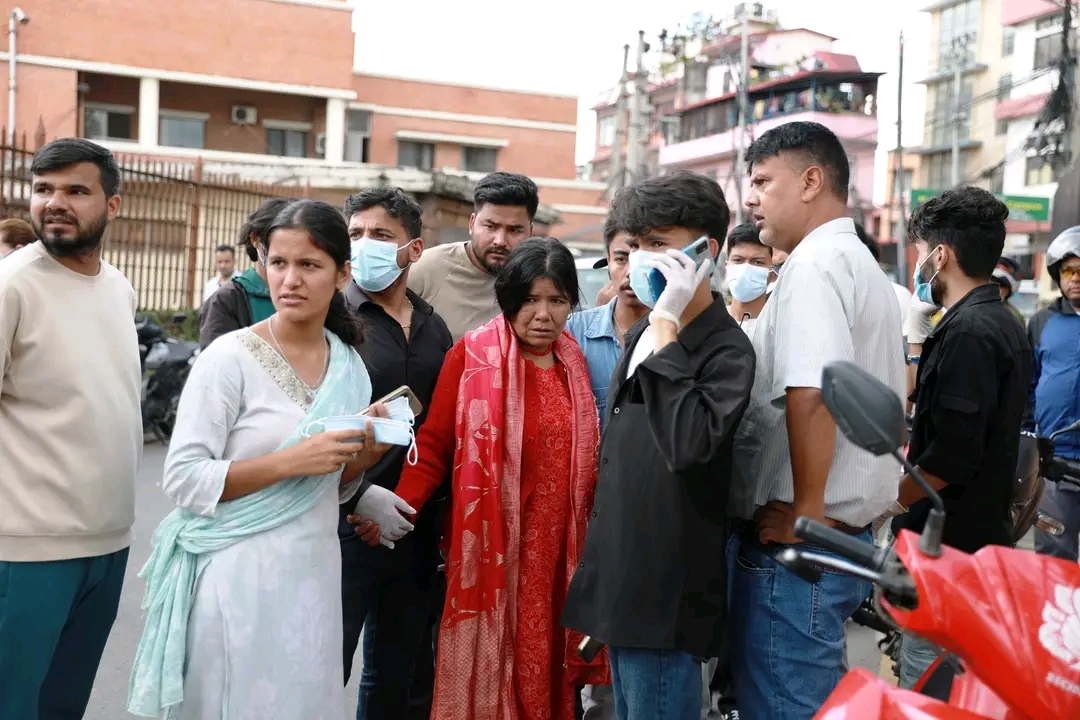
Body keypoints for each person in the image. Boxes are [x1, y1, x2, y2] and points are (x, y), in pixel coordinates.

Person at [127, 200, 397, 719]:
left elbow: (332, 486)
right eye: (278, 263)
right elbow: (184, 478)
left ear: (342, 274)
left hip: (313, 576)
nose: (290, 279)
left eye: (310, 266)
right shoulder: (227, 358)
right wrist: (293, 460)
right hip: (237, 573)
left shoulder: (350, 366)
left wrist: (362, 460)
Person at [378, 237, 607, 719]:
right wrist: (400, 507)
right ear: (508, 300)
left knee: (549, 665)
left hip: (560, 555)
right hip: (495, 549)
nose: (543, 314)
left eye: (557, 300)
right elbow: (436, 443)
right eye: (529, 300)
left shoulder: (574, 363)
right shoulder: (472, 356)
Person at [562, 171, 756, 720]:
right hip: (622, 573)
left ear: (705, 251)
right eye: (637, 245)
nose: (643, 259)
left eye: (659, 245)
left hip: (667, 589)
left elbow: (692, 443)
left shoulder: (724, 349)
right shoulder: (644, 329)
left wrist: (669, 327)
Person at [728, 121, 906, 720]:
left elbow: (812, 392)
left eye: (761, 181)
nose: (749, 199)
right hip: (837, 539)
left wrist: (806, 510)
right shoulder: (856, 262)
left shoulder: (813, 265)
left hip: (801, 547)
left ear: (810, 181)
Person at [0, 138, 141, 719]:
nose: (55, 203)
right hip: (26, 550)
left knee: (64, 708)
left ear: (111, 205)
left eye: (75, 191)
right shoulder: (12, 286)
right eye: (43, 189)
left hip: (108, 543)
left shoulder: (118, 287)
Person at [883, 187, 1032, 687]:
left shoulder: (971, 332)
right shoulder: (995, 321)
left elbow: (952, 455)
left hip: (949, 550)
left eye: (922, 252)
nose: (919, 263)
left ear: (940, 255)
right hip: (974, 542)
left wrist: (887, 502)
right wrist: (918, 339)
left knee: (929, 683)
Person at [338, 186, 453, 719]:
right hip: (341, 524)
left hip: (412, 527)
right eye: (356, 234)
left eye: (381, 235)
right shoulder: (332, 320)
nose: (366, 245)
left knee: (396, 671)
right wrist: (359, 500)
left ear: (414, 249)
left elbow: (442, 427)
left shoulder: (434, 326)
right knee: (323, 662)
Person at [408, 171, 538, 341]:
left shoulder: (535, 282)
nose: (500, 241)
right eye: (490, 227)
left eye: (514, 230)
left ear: (530, 232)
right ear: (472, 224)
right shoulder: (426, 270)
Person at [566, 213, 649, 423]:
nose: (631, 272)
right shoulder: (573, 332)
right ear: (608, 261)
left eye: (643, 260)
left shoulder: (677, 337)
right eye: (621, 259)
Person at [1031, 226, 1080, 561]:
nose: (1075, 278)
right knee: (1052, 560)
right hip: (1055, 462)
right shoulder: (1040, 322)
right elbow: (1025, 386)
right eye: (1069, 270)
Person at [198, 197, 290, 349]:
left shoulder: (313, 294)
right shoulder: (226, 301)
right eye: (278, 238)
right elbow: (216, 365)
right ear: (255, 239)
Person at [724, 221, 776, 337]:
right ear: (726, 267)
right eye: (738, 260)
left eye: (757, 262)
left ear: (772, 273)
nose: (746, 268)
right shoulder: (712, 323)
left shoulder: (778, 327)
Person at [991, 256, 1027, 326]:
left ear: (1007, 291)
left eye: (1001, 285)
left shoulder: (1013, 317)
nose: (993, 288)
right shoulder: (972, 309)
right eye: (991, 282)